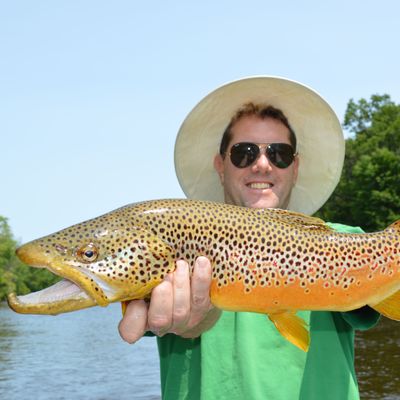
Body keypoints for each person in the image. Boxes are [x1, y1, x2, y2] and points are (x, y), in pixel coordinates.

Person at [118, 76, 380, 399]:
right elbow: (134, 316)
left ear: (295, 168)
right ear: (220, 165)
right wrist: (189, 318)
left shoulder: (346, 241)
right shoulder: (174, 244)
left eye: (279, 154)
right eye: (244, 153)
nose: (261, 164)